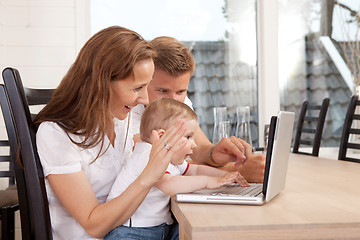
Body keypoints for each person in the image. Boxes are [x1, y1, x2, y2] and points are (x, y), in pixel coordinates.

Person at [34, 26, 190, 240]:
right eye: (137, 89)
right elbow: (94, 225)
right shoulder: (56, 134)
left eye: (147, 87)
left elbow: (176, 115)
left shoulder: (122, 119)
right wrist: (148, 176)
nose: (144, 99)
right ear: (102, 83)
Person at [105, 98, 250, 240]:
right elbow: (169, 185)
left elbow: (195, 170)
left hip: (160, 228)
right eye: (188, 137)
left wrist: (227, 176)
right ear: (161, 136)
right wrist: (209, 182)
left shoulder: (170, 157)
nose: (194, 145)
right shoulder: (147, 155)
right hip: (131, 232)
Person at [132, 36, 265, 183]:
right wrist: (236, 171)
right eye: (163, 91)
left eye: (181, 91)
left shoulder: (178, 104)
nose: (173, 100)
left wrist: (215, 154)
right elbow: (163, 164)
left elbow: (200, 148)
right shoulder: (129, 110)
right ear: (144, 82)